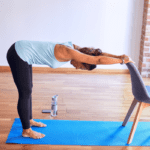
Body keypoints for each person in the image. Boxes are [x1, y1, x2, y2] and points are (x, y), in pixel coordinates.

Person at [6, 40, 134, 139]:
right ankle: (26, 131)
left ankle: (29, 120)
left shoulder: (74, 48)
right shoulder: (69, 51)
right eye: (82, 67)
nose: (78, 68)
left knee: (28, 89)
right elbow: (98, 59)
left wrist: (119, 56)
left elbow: (97, 54)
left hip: (22, 51)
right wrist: (121, 61)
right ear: (82, 60)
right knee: (25, 92)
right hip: (18, 53)